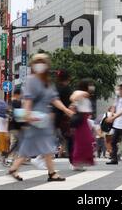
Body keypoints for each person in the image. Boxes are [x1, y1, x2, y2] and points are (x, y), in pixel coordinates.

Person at [8, 54, 74, 182]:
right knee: (46, 145)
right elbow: (28, 99)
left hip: (43, 118)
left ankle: (14, 168)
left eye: (42, 62)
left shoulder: (47, 81)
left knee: (32, 145)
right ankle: (52, 173)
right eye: (37, 62)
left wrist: (66, 109)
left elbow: (54, 99)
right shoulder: (31, 80)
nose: (40, 65)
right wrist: (27, 115)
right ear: (33, 65)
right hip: (35, 118)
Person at [69, 79, 96, 171]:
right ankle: (76, 162)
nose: (92, 87)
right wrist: (83, 94)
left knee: (87, 141)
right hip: (80, 119)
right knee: (82, 141)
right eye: (90, 85)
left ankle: (80, 162)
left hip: (84, 119)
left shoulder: (87, 95)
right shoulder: (79, 92)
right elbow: (72, 98)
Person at [54, 70, 74, 166]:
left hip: (54, 116)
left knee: (48, 138)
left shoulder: (55, 87)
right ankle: (73, 161)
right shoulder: (67, 89)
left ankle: (40, 157)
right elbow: (71, 102)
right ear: (68, 78)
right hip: (63, 118)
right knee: (70, 138)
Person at [7, 88, 23, 164]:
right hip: (15, 126)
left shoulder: (12, 103)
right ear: (18, 94)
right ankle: (11, 157)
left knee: (16, 141)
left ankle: (14, 157)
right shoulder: (16, 102)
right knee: (16, 142)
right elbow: (19, 115)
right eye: (20, 94)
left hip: (13, 126)